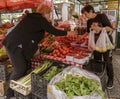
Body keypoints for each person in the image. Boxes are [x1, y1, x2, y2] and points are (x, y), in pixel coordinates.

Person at [2, 3, 77, 99]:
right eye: (49, 14)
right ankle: (8, 94)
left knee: (24, 67)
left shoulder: (33, 18)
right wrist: (68, 33)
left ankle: (19, 91)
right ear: (45, 13)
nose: (50, 16)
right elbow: (54, 31)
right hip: (15, 45)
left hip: (16, 44)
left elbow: (34, 33)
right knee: (19, 69)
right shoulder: (40, 19)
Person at [81, 5, 114, 89]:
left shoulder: (102, 16)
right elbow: (88, 32)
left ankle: (111, 79)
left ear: (91, 11)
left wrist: (99, 28)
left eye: (85, 14)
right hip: (96, 45)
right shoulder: (89, 21)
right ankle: (98, 77)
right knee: (97, 61)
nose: (85, 16)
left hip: (105, 44)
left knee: (108, 61)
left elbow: (110, 28)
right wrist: (80, 37)